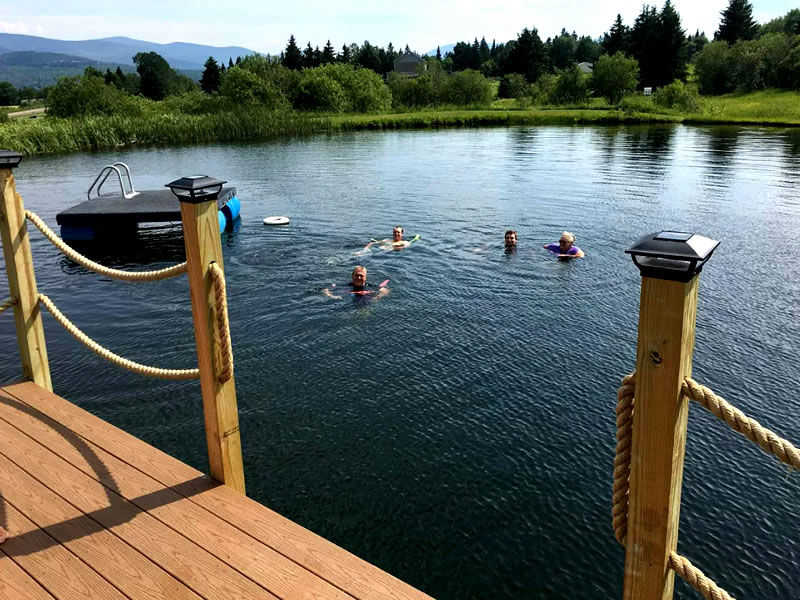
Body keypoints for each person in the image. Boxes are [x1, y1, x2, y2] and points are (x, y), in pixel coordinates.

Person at [323, 265, 390, 300]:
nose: (359, 278)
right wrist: (333, 296)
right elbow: (325, 289)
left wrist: (377, 297)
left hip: (366, 302)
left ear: (365, 277)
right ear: (352, 276)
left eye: (361, 276)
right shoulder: (347, 285)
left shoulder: (370, 286)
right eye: (357, 275)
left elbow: (385, 290)